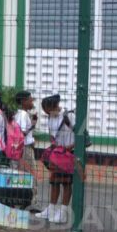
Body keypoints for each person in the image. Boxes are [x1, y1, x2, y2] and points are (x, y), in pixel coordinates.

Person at [36, 94, 76, 224]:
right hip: (57, 154)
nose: (45, 112)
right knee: (54, 181)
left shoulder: (69, 116)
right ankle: (51, 209)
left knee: (66, 183)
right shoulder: (50, 117)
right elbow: (52, 135)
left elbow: (80, 136)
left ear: (53, 106)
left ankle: (63, 212)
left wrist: (68, 148)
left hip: (68, 153)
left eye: (46, 109)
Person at [13, 90, 38, 172]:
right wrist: (32, 125)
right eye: (30, 101)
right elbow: (22, 133)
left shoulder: (19, 113)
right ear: (23, 101)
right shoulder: (23, 114)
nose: (32, 103)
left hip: (21, 148)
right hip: (25, 149)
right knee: (29, 174)